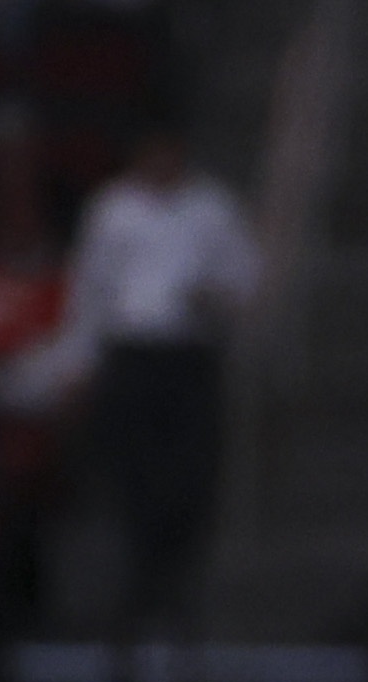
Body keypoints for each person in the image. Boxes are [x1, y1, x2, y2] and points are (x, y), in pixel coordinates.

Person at [62, 123, 262, 626]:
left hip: (188, 355)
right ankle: (138, 584)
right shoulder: (111, 209)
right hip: (131, 355)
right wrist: (81, 362)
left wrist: (214, 297)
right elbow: (88, 293)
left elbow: (247, 282)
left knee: (188, 477)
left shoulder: (213, 207)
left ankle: (176, 580)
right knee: (134, 476)